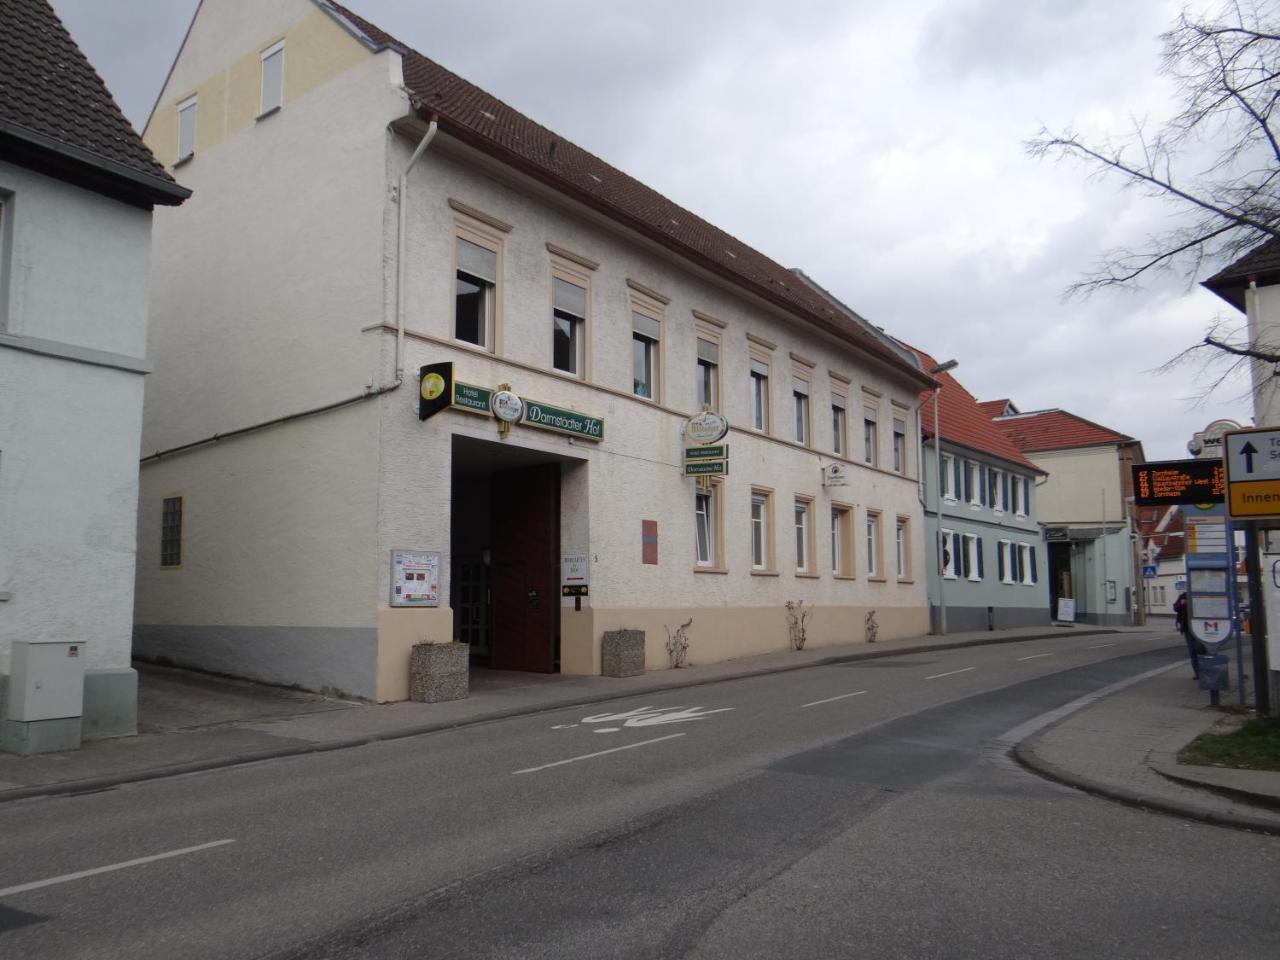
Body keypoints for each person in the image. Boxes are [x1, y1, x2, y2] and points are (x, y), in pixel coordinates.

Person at [1173, 591, 1198, 678]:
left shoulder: (1200, 594)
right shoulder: (1184, 595)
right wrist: (1182, 603)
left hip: (1201, 627)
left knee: (1202, 650)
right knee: (1193, 651)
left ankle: (1204, 670)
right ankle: (1197, 672)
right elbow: (1175, 608)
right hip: (1188, 627)